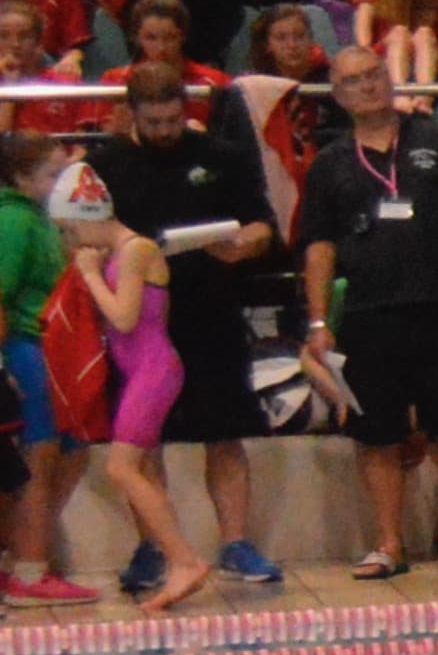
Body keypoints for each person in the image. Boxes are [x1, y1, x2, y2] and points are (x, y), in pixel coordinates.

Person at [291, 35, 438, 575]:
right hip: (370, 313)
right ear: (337, 96)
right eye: (352, 80)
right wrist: (319, 321)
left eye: (373, 74)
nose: (366, 86)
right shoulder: (330, 165)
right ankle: (389, 544)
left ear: (389, 80)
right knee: (377, 432)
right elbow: (318, 247)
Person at [82, 48, 279, 592]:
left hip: (211, 310)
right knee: (145, 441)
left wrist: (244, 246)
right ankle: (154, 546)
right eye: (153, 123)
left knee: (224, 431)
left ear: (185, 107)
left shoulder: (220, 154)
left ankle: (236, 542)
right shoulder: (107, 166)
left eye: (173, 120)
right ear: (132, 116)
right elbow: (89, 236)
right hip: (142, 323)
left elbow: (263, 223)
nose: (166, 130)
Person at [35, 149, 205, 607]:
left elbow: (125, 319)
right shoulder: (121, 252)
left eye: (70, 231)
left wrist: (91, 276)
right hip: (140, 374)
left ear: (86, 219)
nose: (71, 243)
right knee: (145, 470)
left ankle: (185, 561)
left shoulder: (135, 250)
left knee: (120, 468)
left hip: (153, 371)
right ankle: (175, 563)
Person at [0, 130, 78, 603]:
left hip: (48, 346)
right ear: (22, 177)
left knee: (68, 451)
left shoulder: (38, 217)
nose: (61, 183)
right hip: (26, 349)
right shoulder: (13, 220)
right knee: (38, 457)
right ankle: (28, 569)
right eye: (53, 174)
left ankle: (22, 555)